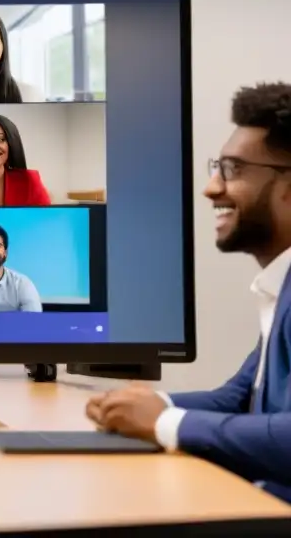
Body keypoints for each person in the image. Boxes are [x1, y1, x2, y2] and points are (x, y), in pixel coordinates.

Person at [85, 82, 291, 504]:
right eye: (217, 167)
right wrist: (141, 403)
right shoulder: (281, 284)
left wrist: (166, 422)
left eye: (233, 170)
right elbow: (241, 397)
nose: (211, 188)